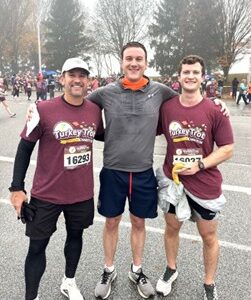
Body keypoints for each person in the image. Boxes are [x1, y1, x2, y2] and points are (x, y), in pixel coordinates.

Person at [26, 43, 229, 300]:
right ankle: (109, 270)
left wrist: (216, 103)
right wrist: (39, 108)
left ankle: (137, 269)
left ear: (146, 63)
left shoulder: (160, 91)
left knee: (138, 222)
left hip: (143, 172)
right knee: (111, 222)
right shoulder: (105, 92)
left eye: (139, 59)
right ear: (122, 62)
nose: (134, 63)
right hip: (113, 171)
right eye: (129, 59)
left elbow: (189, 99)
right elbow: (74, 104)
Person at [9, 57, 104, 300]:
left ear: (88, 81)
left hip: (81, 193)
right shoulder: (43, 109)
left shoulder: (95, 111)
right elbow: (24, 148)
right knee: (37, 246)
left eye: (82, 75)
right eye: (72, 75)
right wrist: (17, 188)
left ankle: (69, 282)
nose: (77, 80)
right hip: (46, 194)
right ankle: (32, 296)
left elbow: (107, 135)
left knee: (76, 237)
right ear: (62, 79)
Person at [155, 55, 234, 300]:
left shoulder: (214, 109)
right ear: (179, 77)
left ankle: (209, 284)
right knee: (171, 228)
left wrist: (200, 165)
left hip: (204, 184)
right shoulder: (166, 108)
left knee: (208, 235)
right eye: (186, 72)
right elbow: (142, 124)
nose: (190, 76)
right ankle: (171, 269)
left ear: (202, 77)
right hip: (173, 181)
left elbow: (227, 148)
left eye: (195, 72)